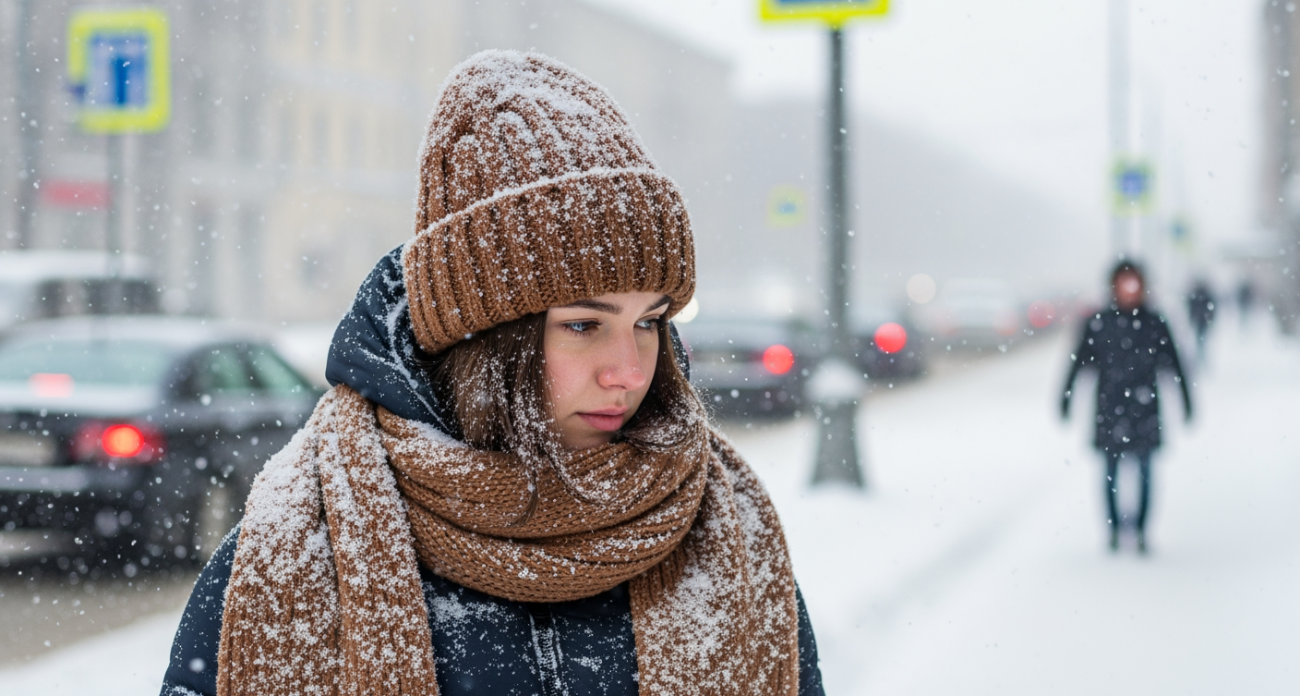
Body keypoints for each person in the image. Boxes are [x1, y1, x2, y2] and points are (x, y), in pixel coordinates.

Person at [160, 51, 824, 696]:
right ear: (482, 340)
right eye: (584, 326)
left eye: (649, 323)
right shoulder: (300, 546)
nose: (628, 372)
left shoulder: (725, 532)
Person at [1061, 261, 1192, 553]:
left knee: (1145, 472)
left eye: (1134, 283)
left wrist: (1187, 401)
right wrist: (1065, 398)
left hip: (1145, 410)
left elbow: (1175, 364)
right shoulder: (1099, 322)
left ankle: (1142, 531)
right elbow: (1078, 363)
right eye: (1124, 283)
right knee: (1110, 473)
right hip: (1109, 408)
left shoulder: (1155, 323)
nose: (1129, 289)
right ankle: (1113, 531)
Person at [1186, 277, 1216, 362]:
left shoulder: (1198, 296)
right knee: (1201, 337)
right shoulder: (1203, 296)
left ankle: (1201, 354)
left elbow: (1192, 308)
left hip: (1201, 320)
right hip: (1202, 320)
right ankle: (1201, 354)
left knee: (1200, 337)